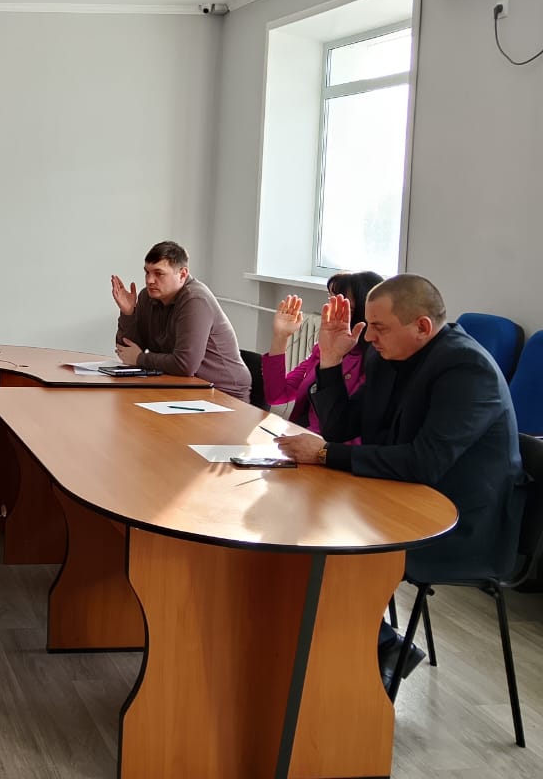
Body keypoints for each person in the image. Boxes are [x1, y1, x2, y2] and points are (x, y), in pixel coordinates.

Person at [275, 274, 526, 688]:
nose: (369, 336)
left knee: (329, 547)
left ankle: (361, 664)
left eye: (379, 327)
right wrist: (331, 362)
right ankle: (376, 647)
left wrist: (323, 454)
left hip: (460, 521)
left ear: (422, 326)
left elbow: (424, 463)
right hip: (398, 497)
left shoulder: (467, 369)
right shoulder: (387, 357)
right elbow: (340, 428)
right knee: (299, 522)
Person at [111, 240, 250, 401]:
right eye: (147, 272)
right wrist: (128, 313)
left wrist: (139, 358)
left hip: (223, 393)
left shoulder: (195, 300)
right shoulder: (147, 297)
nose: (149, 280)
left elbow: (185, 365)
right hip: (181, 385)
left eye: (158, 273)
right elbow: (127, 351)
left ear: (182, 274)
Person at [262, 270, 383, 434]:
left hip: (328, 445)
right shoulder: (322, 349)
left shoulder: (375, 359)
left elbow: (353, 430)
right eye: (330, 299)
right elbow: (276, 395)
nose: (330, 309)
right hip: (304, 435)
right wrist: (280, 337)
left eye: (341, 303)